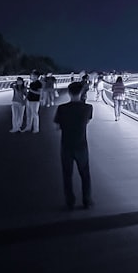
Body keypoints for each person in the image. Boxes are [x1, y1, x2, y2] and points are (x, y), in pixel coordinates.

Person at [53, 81, 94, 210]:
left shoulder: (61, 108)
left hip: (66, 145)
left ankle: (70, 201)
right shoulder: (88, 108)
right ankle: (86, 200)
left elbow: (57, 126)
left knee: (67, 174)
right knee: (85, 174)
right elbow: (87, 121)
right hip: (81, 145)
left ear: (69, 93)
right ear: (81, 92)